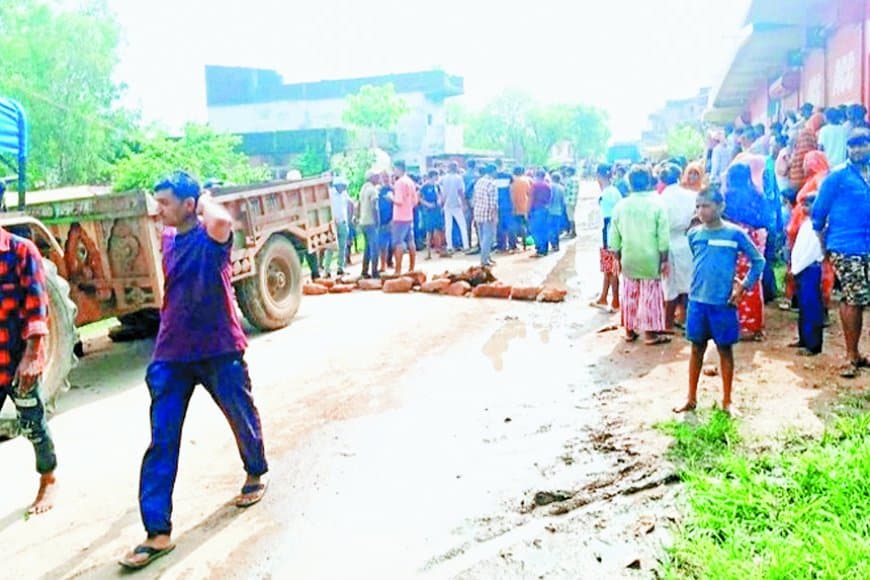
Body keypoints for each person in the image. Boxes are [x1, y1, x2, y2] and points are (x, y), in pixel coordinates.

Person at [121, 171, 268, 570]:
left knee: (240, 416)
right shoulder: (168, 239)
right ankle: (157, 531)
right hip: (171, 354)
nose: (159, 210)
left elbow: (221, 221)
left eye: (167, 202)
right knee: (162, 440)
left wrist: (200, 196)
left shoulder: (212, 238)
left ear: (190, 205)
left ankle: (256, 470)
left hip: (219, 347)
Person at [674, 188, 765, 415]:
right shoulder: (694, 235)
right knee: (696, 349)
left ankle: (727, 401)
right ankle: (691, 398)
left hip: (723, 303)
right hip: (697, 301)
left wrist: (743, 286)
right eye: (698, 206)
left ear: (720, 207)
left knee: (725, 350)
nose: (701, 211)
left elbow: (758, 261)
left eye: (706, 206)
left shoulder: (735, 234)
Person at [0, 221, 58, 516]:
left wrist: (33, 356)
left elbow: (37, 306)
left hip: (16, 359)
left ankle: (48, 477)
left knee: (33, 423)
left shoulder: (22, 251)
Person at [812, 127, 870, 378]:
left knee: (859, 298)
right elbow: (818, 214)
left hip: (866, 245)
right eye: (853, 144)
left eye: (862, 144)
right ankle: (850, 355)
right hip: (846, 245)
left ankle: (856, 354)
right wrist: (826, 246)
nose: (857, 149)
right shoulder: (837, 176)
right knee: (853, 298)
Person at [609, 165, 670, 345]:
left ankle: (629, 331)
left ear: (629, 183)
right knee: (651, 295)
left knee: (629, 294)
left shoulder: (621, 205)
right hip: (651, 257)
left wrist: (616, 258)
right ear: (650, 181)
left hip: (629, 256)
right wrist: (664, 260)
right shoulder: (657, 203)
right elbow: (663, 237)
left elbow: (614, 237)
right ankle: (650, 334)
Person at [722, 163, 769, 340]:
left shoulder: (726, 197)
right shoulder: (757, 195)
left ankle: (735, 324)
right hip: (753, 238)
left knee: (732, 279)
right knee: (752, 280)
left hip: (732, 239)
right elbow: (765, 219)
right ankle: (756, 326)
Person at [659, 163, 697, 332]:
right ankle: (684, 318)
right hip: (686, 240)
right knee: (687, 283)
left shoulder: (661, 199)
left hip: (669, 242)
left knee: (670, 286)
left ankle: (667, 323)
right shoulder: (691, 196)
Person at [791, 193, 825, 356]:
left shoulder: (820, 225)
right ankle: (803, 339)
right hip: (800, 269)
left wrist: (797, 268)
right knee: (803, 306)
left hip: (810, 268)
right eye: (803, 205)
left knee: (811, 306)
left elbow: (812, 251)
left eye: (809, 204)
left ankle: (813, 345)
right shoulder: (805, 224)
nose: (805, 208)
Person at [593, 164, 621, 310]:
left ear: (599, 176)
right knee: (608, 269)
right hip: (612, 234)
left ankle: (615, 300)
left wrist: (609, 241)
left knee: (611, 269)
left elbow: (608, 219)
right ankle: (604, 297)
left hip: (609, 236)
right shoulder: (614, 191)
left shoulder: (607, 194)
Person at [389, 161, 418, 275]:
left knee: (398, 243)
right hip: (409, 215)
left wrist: (391, 197)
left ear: (398, 169)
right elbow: (415, 201)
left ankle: (398, 270)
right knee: (411, 241)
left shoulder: (399, 183)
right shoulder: (411, 182)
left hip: (400, 217)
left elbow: (399, 201)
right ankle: (411, 268)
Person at [472, 164, 498, 267]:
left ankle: (487, 257)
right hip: (488, 214)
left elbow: (474, 198)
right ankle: (484, 260)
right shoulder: (492, 184)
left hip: (478, 212)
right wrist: (495, 216)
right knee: (488, 238)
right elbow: (493, 203)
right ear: (493, 172)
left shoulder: (479, 182)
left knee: (482, 237)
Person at [324, 176, 351, 277]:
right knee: (330, 247)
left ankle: (340, 267)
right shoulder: (330, 193)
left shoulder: (344, 194)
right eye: (342, 186)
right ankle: (326, 270)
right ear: (337, 186)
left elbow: (348, 204)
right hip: (333, 224)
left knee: (342, 247)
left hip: (343, 223)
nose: (344, 188)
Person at [440, 162, 469, 253]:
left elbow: (442, 192)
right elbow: (460, 192)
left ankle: (449, 246)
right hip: (456, 204)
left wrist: (442, 203)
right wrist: (464, 204)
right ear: (456, 168)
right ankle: (466, 246)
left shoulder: (444, 178)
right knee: (462, 226)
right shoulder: (458, 178)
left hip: (447, 204)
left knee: (448, 226)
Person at [358, 171, 381, 278]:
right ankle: (374, 271)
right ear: (372, 178)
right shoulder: (373, 190)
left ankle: (364, 271)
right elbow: (374, 207)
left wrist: (357, 217)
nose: (378, 179)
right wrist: (377, 220)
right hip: (371, 222)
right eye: (377, 177)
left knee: (367, 247)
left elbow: (358, 204)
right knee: (374, 247)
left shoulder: (363, 188)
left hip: (363, 221)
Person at [419, 170, 443, 260]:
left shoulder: (437, 186)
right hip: (429, 211)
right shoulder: (425, 186)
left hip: (437, 210)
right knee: (429, 232)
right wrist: (427, 204)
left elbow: (440, 195)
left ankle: (439, 250)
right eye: (436, 176)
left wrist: (440, 201)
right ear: (432, 176)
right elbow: (419, 198)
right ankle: (428, 252)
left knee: (438, 230)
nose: (437, 178)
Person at [529, 169, 552, 257]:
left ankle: (540, 249)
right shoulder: (548, 185)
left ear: (537, 176)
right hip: (545, 208)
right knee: (543, 229)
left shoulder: (535, 185)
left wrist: (528, 210)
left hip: (536, 209)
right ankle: (544, 249)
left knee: (534, 229)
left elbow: (531, 198)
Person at [494, 160, 514, 251]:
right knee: (510, 225)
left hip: (497, 204)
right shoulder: (509, 176)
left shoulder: (493, 177)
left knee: (500, 226)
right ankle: (512, 245)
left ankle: (501, 246)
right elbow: (511, 191)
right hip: (508, 204)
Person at [510, 166, 532, 250]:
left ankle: (514, 244)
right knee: (524, 226)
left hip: (514, 207)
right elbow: (530, 193)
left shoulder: (512, 181)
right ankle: (525, 245)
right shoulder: (527, 181)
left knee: (514, 226)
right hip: (525, 207)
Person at [547, 172, 566, 253]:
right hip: (558, 211)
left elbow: (548, 199)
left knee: (550, 228)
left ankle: (553, 244)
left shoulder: (550, 186)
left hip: (550, 211)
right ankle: (557, 245)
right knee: (556, 229)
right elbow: (563, 201)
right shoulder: (562, 188)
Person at [563, 167, 579, 238]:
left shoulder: (569, 180)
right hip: (574, 200)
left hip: (568, 200)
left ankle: (573, 232)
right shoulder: (576, 179)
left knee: (570, 217)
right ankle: (573, 232)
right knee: (572, 216)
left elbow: (565, 190)